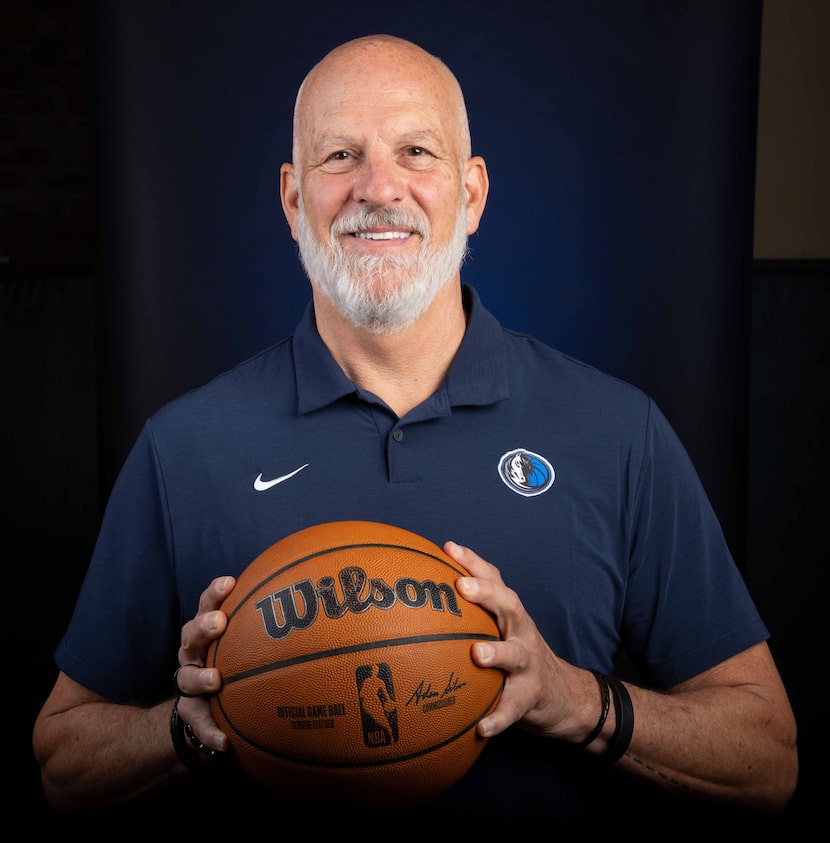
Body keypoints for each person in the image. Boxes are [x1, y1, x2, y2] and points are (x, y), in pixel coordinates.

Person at [32, 34, 798, 823]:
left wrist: (573, 700)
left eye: (416, 151)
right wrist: (187, 729)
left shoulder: (616, 429)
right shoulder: (185, 446)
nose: (378, 187)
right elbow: (62, 760)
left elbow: (768, 755)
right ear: (293, 200)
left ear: (472, 194)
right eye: (340, 156)